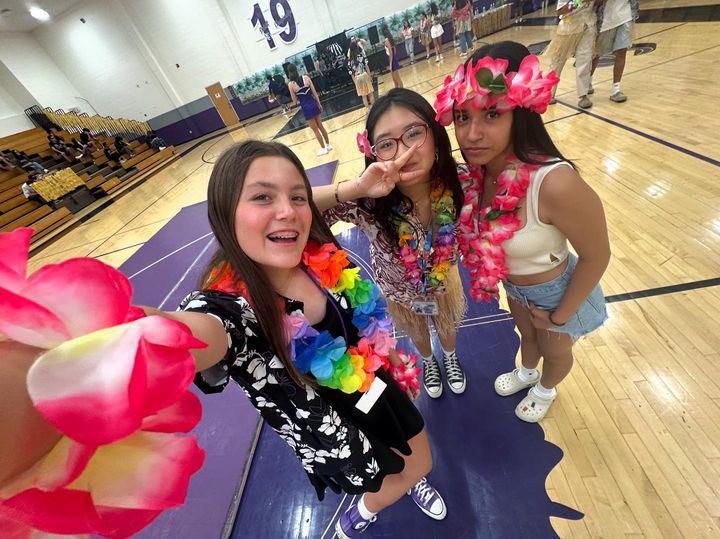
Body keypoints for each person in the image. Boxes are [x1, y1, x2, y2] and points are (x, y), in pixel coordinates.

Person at [172, 140, 447, 534]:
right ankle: (367, 507)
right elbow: (190, 334)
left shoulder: (314, 251)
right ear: (224, 211)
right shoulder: (234, 309)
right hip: (338, 422)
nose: (287, 211)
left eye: (297, 196)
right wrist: (124, 340)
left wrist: (356, 187)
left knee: (414, 460)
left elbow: (362, 319)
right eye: (262, 196)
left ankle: (407, 480)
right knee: (397, 471)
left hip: (375, 382)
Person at [437, 41, 610, 422]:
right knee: (526, 337)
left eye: (492, 114)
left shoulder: (555, 183)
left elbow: (598, 256)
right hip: (514, 287)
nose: (471, 134)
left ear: (521, 112)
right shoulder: (478, 176)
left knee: (555, 350)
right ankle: (527, 372)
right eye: (462, 117)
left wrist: (560, 317)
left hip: (557, 292)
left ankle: (546, 389)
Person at [314, 88, 468, 399]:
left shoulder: (461, 182)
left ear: (435, 135)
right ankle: (428, 360)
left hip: (444, 283)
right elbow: (297, 207)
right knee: (417, 330)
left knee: (447, 324)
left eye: (414, 134)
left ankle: (450, 357)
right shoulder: (367, 203)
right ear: (373, 154)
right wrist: (357, 188)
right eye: (386, 144)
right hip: (399, 292)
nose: (403, 152)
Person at [544, 0, 597, 109]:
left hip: (588, 24)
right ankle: (549, 92)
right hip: (568, 26)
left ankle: (583, 95)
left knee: (585, 59)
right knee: (558, 61)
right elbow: (560, 10)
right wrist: (579, 2)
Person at [591, 0, 638, 103]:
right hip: (605, 20)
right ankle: (587, 81)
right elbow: (595, 3)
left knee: (621, 52)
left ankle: (616, 89)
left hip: (625, 16)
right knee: (596, 54)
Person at [287, 64, 333, 156]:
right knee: (321, 126)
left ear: (289, 72)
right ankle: (328, 145)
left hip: (306, 107)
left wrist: (290, 106)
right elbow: (315, 93)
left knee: (315, 130)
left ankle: (323, 149)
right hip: (313, 103)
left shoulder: (291, 84)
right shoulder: (306, 78)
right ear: (296, 69)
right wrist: (319, 104)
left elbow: (295, 101)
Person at [348, 39, 375, 110]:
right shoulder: (360, 56)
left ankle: (368, 110)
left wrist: (355, 82)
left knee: (364, 96)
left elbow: (351, 74)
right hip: (364, 75)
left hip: (357, 78)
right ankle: (374, 109)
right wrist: (370, 76)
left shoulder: (350, 61)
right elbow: (366, 66)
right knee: (370, 93)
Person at [382, 25, 404, 89]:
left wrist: (391, 64)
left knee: (397, 79)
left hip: (391, 60)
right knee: (394, 80)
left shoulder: (387, 40)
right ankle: (397, 92)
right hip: (393, 59)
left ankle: (402, 91)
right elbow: (394, 49)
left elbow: (391, 52)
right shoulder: (390, 38)